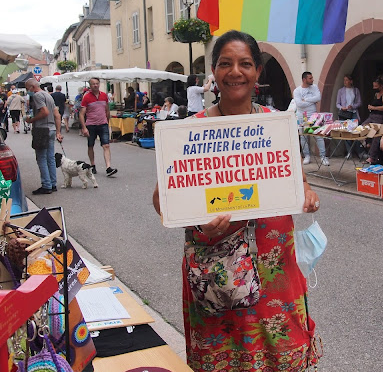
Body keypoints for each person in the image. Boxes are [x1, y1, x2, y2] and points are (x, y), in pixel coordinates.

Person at [152, 30, 321, 372]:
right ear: (213, 71)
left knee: (282, 356)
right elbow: (164, 198)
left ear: (258, 70)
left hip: (275, 267)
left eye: (245, 63)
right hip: (217, 272)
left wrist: (308, 191)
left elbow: (296, 178)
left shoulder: (276, 125)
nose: (235, 72)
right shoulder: (190, 130)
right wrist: (200, 221)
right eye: (225, 64)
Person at [24, 78, 62, 194]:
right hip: (51, 128)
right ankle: (53, 183)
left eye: (27, 89)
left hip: (42, 129)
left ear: (32, 87)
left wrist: (32, 120)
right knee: (50, 157)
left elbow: (45, 112)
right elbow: (56, 114)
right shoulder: (48, 96)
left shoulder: (37, 96)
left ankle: (46, 185)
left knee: (41, 158)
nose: (27, 91)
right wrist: (58, 131)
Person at [79, 77, 118, 177]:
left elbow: (107, 110)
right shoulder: (86, 97)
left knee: (106, 145)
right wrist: (84, 128)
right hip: (91, 125)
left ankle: (108, 168)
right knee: (90, 145)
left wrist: (107, 122)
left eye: (97, 83)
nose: (95, 85)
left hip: (103, 124)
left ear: (99, 84)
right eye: (93, 84)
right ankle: (93, 165)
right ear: (90, 85)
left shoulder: (104, 96)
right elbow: (81, 114)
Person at [294, 71, 329, 166]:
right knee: (304, 137)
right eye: (310, 78)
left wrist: (306, 100)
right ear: (304, 79)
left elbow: (318, 97)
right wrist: (312, 101)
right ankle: (307, 156)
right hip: (302, 117)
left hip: (313, 116)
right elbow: (299, 104)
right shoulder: (297, 91)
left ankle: (323, 156)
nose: (312, 80)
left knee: (318, 136)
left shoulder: (314, 87)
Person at [336, 74, 363, 159]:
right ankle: (349, 152)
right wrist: (342, 107)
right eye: (344, 80)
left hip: (353, 112)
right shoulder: (341, 91)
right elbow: (337, 103)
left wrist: (353, 106)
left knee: (356, 131)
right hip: (345, 113)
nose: (345, 82)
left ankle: (359, 151)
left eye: (347, 80)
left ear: (351, 81)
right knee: (346, 132)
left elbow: (359, 102)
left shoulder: (355, 90)